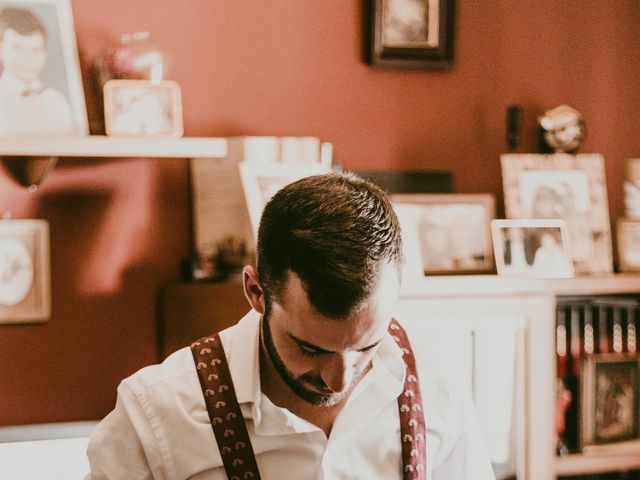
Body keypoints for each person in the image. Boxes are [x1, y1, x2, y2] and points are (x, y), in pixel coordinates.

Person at [85, 173, 495, 479]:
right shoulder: (155, 411)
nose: (339, 380)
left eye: (367, 348)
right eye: (311, 349)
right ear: (256, 291)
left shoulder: (435, 375)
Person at [0, 7, 75, 134]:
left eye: (36, 50)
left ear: (45, 54)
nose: (28, 58)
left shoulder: (56, 101)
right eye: (18, 48)